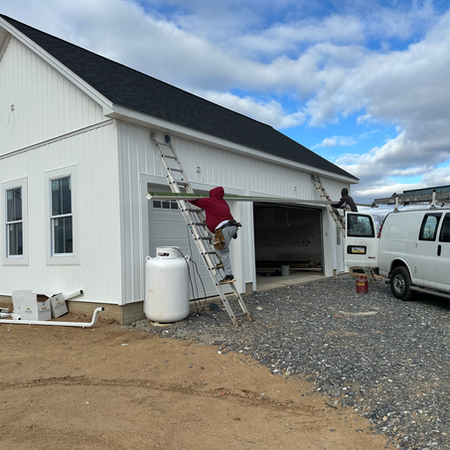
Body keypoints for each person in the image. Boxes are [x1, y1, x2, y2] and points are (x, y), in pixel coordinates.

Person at [189, 187, 240, 284]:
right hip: (231, 226)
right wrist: (209, 221)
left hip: (225, 228)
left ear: (212, 194)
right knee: (218, 247)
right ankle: (222, 262)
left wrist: (187, 197)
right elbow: (216, 213)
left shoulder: (211, 200)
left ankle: (229, 276)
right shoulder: (222, 202)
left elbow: (193, 201)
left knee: (222, 250)